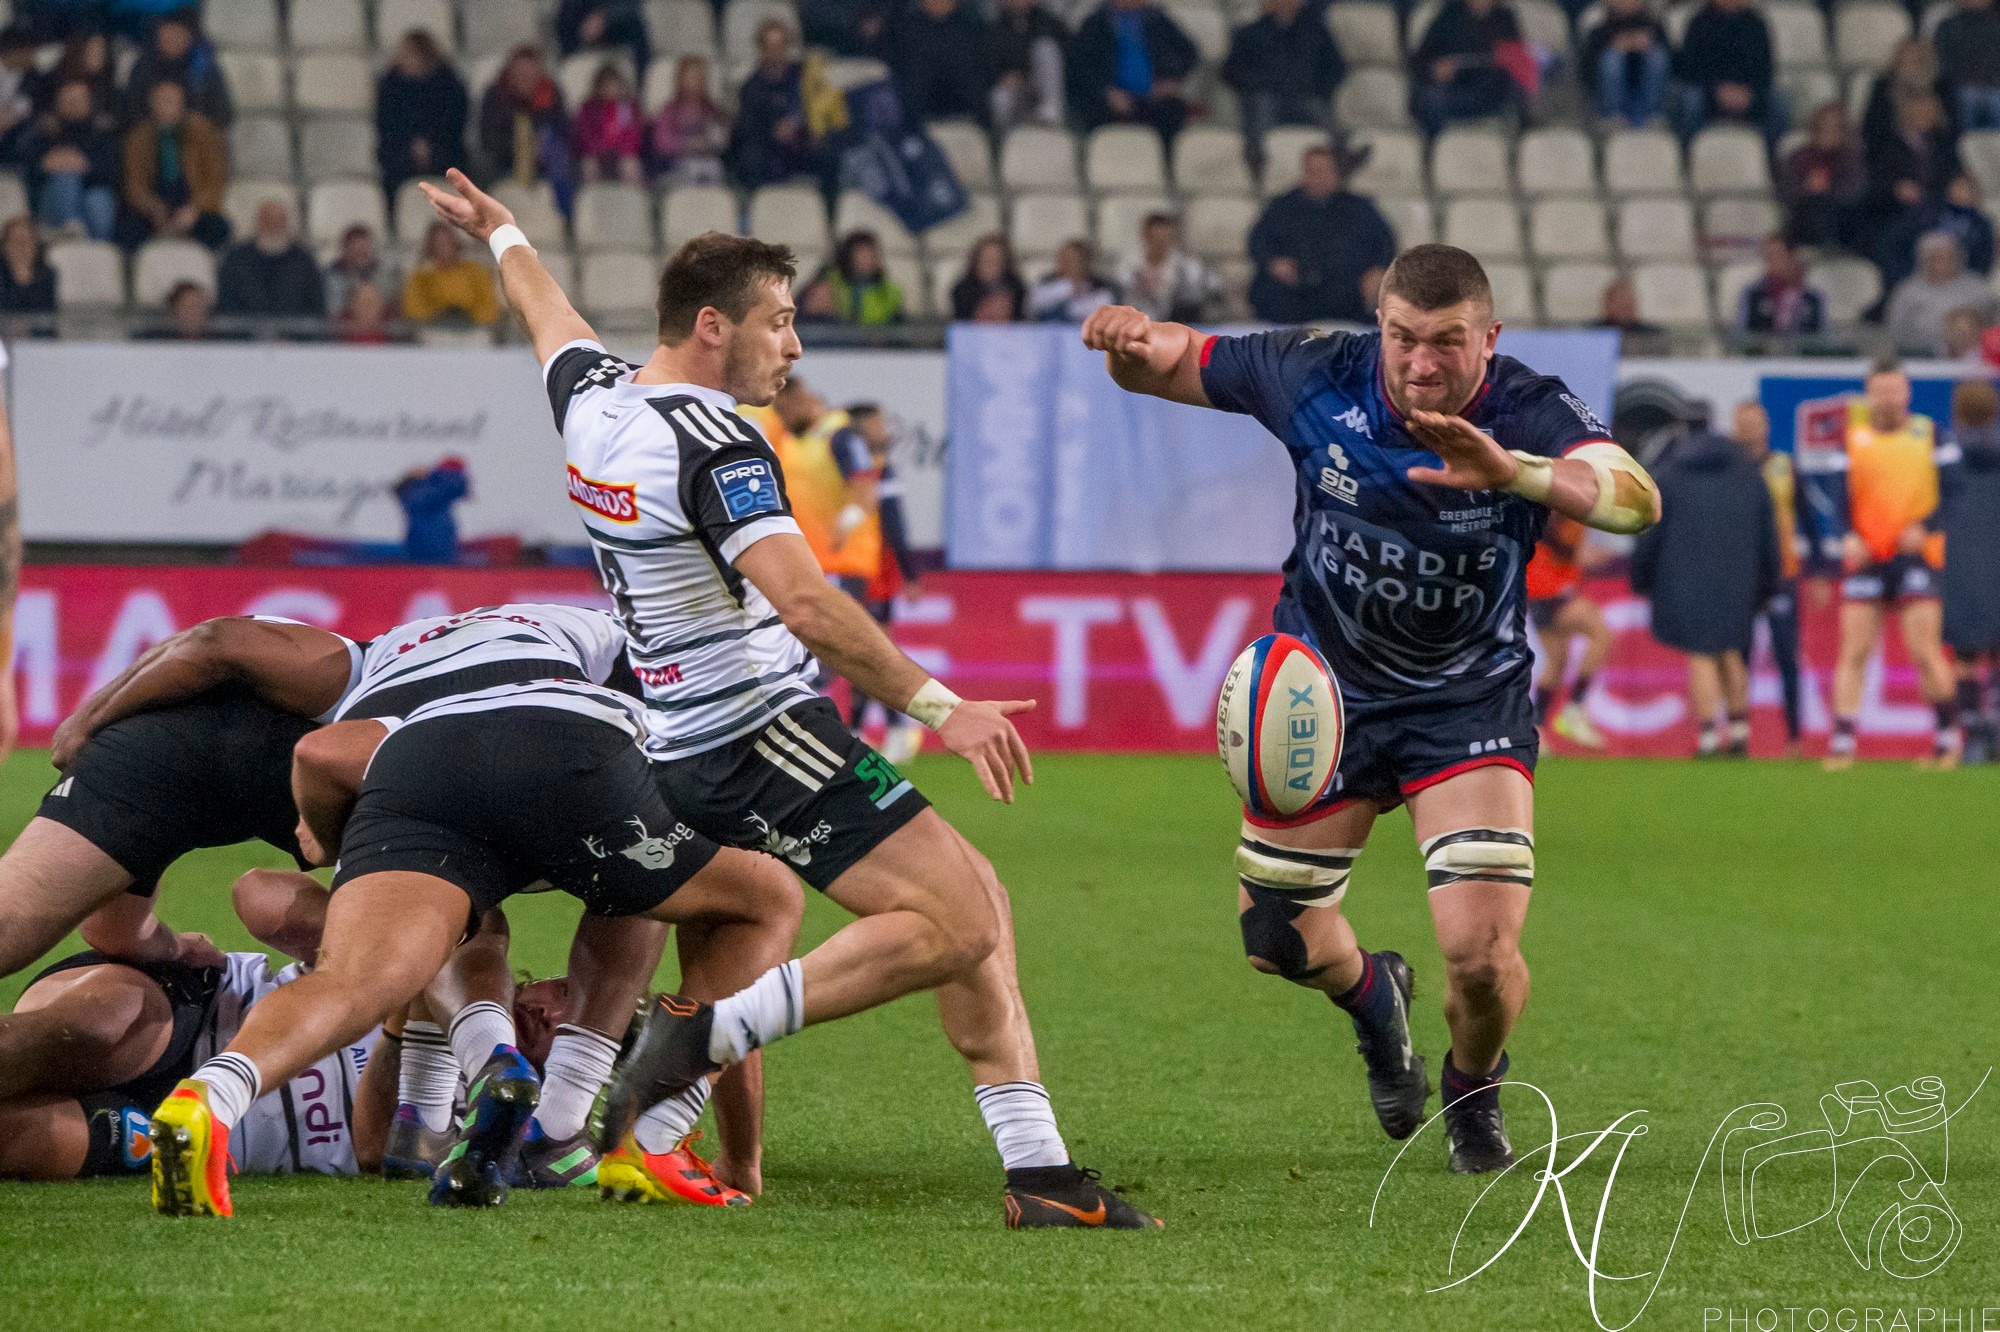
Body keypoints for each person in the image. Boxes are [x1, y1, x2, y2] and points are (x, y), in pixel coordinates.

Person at [417, 169, 1161, 1228]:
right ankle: (700, 1038)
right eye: (779, 321)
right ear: (712, 327)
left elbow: (550, 317)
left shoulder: (594, 402)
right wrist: (941, 707)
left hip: (677, 740)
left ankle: (1038, 1170)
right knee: (955, 920)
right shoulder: (715, 441)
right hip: (757, 731)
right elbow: (807, 604)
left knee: (977, 898)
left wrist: (504, 237)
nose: (795, 345)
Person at [1082, 243, 1661, 1173]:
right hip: (1324, 697)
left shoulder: (1525, 405)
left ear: (1489, 338)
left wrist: (1515, 473)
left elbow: (1634, 499)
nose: (1423, 362)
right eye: (1404, 338)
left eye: (1448, 342)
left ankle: (1473, 1095)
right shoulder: (1315, 370)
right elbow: (1169, 361)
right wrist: (1128, 344)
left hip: (1464, 704)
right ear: (1379, 325)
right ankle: (1373, 999)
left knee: (1479, 955)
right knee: (1277, 944)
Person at [1818, 359, 1957, 769]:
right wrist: (1847, 535)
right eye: (1880, 390)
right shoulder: (1851, 440)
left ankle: (1947, 743)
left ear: (1907, 392)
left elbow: (1955, 493)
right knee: (1853, 651)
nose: (1888, 398)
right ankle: (1842, 746)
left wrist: (1926, 527)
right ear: (1868, 394)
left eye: (1894, 389)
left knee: (1924, 651)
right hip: (1868, 558)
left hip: (1916, 557)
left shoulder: (1931, 434)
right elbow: (1837, 499)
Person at [1631, 411, 1779, 758]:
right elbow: (1768, 535)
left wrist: (1642, 577)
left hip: (1684, 577)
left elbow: (1650, 532)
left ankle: (1709, 736)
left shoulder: (1670, 474)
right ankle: (1740, 731)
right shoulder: (1748, 473)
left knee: (1700, 653)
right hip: (1739, 578)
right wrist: (1768, 584)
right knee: (1730, 650)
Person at [1247, 145, 1397, 325]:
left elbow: (1385, 243)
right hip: (1296, 291)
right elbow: (1258, 242)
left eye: (1325, 171)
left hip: (1346, 291)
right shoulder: (1281, 207)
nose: (1320, 177)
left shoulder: (1360, 208)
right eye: (1314, 171)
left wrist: (1377, 270)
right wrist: (1274, 263)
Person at [1938, 378, 2000, 761]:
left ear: (1958, 412)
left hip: (1961, 563)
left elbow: (1931, 509)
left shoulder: (1946, 456)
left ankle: (1975, 732)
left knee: (1964, 657)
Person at [1223, 0, 1345, 166]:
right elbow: (1230, 72)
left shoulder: (1316, 32)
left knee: (1322, 113)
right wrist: (1256, 86)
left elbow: (1336, 68)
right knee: (1260, 110)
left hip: (1304, 97)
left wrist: (1318, 88)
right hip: (1267, 97)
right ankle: (1254, 161)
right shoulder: (1250, 33)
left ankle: (1342, 156)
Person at [1525, 516, 1611, 749]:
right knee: (1600, 633)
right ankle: (1575, 706)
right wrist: (1614, 552)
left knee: (1555, 665)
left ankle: (1536, 727)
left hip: (1541, 590)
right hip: (1549, 591)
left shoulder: (1564, 514)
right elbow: (1571, 550)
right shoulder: (1561, 514)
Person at [1749, 402, 1806, 756]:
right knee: (1737, 657)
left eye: (1754, 423)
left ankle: (1795, 738)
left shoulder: (1784, 466)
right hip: (1742, 576)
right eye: (1743, 423)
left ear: (1766, 426)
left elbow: (1808, 517)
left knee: (1787, 657)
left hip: (1783, 574)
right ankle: (1738, 733)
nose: (1748, 430)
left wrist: (1817, 567)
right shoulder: (1734, 468)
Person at [118, 79, 229, 250]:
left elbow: (215, 180)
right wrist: (153, 208)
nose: (167, 107)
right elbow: (134, 184)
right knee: (128, 230)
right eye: (163, 101)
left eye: (172, 101)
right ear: (152, 105)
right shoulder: (138, 138)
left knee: (217, 229)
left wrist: (195, 209)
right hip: (155, 203)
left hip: (191, 201)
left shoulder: (203, 132)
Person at [1067, 0, 1199, 140]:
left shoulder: (1158, 21)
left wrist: (1171, 80)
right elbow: (1079, 67)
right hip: (1113, 100)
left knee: (1172, 109)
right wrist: (1106, 92)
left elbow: (1189, 52)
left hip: (1154, 97)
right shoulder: (1096, 24)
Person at [1409, 0, 1529, 137]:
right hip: (1451, 90)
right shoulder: (1447, 17)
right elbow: (1420, 61)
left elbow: (1517, 60)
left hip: (1491, 90)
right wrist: (1435, 70)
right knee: (1429, 99)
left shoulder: (1505, 19)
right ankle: (1436, 144)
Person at [375, 30, 469, 197]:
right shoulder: (390, 87)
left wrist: (430, 147)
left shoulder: (449, 86)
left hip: (445, 153)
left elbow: (453, 125)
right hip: (399, 156)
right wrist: (411, 148)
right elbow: (387, 127)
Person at [21, 79, 117, 240]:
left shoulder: (104, 134)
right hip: (51, 205)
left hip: (91, 197)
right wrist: (44, 164)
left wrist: (85, 166)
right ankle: (71, 227)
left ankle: (96, 245)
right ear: (58, 102)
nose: (73, 105)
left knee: (98, 200)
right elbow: (27, 168)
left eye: (78, 100)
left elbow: (110, 172)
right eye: (68, 100)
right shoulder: (42, 133)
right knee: (65, 174)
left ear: (89, 102)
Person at [1671, 0, 1778, 140]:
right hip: (1709, 91)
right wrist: (1717, 91)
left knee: (1779, 102)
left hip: (1747, 93)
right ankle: (1689, 147)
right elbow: (1690, 68)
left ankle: (1766, 150)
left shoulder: (1757, 23)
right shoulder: (1699, 22)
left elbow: (1765, 69)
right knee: (1691, 100)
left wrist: (1747, 92)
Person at [478, 46, 571, 203]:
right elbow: (488, 138)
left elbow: (563, 132)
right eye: (520, 74)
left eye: (530, 74)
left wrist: (543, 146)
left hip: (544, 167)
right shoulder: (496, 96)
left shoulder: (551, 95)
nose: (525, 79)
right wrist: (520, 145)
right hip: (505, 165)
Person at [1884, 231, 1997, 356]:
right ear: (1924, 260)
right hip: (1922, 357)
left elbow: (1992, 326)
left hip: (1974, 357)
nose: (1943, 263)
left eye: (1949, 257)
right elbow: (1895, 332)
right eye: (1936, 258)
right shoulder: (1907, 292)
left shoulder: (1977, 288)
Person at [215, 198, 325, 322]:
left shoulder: (304, 260)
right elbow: (226, 302)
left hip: (294, 332)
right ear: (258, 222)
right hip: (243, 332)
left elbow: (315, 305)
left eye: (279, 220)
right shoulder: (236, 259)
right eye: (268, 219)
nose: (273, 226)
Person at [730, 20, 810, 188]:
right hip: (769, 149)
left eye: (780, 46)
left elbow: (817, 110)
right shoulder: (750, 88)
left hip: (802, 144)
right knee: (751, 158)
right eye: (771, 47)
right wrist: (775, 131)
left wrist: (797, 125)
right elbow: (749, 129)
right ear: (761, 50)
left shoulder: (804, 77)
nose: (776, 52)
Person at [123, 10, 229, 130]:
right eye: (168, 31)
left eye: (179, 32)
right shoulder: (143, 66)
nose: (173, 38)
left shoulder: (204, 68)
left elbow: (222, 113)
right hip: (150, 131)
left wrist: (186, 117)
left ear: (190, 37)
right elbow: (131, 109)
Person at [887, 0, 990, 124]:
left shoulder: (970, 27)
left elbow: (980, 70)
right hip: (918, 110)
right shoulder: (906, 28)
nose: (939, 3)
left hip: (965, 109)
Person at [1781, 102, 1865, 250]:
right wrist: (1807, 189)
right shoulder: (1798, 157)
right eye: (1824, 127)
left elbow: (1856, 191)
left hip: (1840, 219)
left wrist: (1828, 188)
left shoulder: (1851, 159)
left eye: (1834, 128)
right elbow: (1786, 192)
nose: (1828, 132)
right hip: (1803, 217)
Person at [1115, 211, 1218, 324]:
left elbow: (1207, 291)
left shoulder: (1186, 267)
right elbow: (1122, 297)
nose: (1160, 244)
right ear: (1145, 236)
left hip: (1177, 324)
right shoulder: (1129, 267)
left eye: (1165, 239)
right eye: (1155, 239)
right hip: (1139, 323)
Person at [1582, 0, 1669, 128]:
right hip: (1607, 95)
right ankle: (1613, 118)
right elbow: (1587, 69)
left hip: (1644, 90)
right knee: (1611, 59)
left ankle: (1654, 117)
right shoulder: (1599, 28)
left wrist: (1646, 46)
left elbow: (1674, 63)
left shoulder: (1654, 26)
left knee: (1657, 55)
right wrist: (1616, 47)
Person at [1861, 41, 1955, 159]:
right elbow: (1871, 133)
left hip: (1935, 157)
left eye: (1916, 62)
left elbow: (1950, 133)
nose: (1911, 69)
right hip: (1891, 157)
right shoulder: (1882, 91)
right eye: (1904, 62)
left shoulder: (1942, 90)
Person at [647, 54, 730, 186]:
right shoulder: (670, 111)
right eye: (691, 77)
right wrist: (687, 145)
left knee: (714, 168)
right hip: (677, 165)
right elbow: (661, 141)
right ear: (680, 79)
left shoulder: (712, 110)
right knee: (691, 170)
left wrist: (709, 143)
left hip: (708, 161)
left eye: (700, 77)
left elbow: (722, 139)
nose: (695, 82)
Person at [403, 220, 498, 327]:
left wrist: (470, 318)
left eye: (448, 243)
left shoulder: (476, 273)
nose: (444, 249)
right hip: (434, 330)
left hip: (473, 330)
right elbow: (415, 309)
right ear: (430, 248)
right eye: (439, 244)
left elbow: (488, 308)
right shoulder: (421, 277)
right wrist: (438, 315)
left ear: (456, 244)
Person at [988, 0, 1066, 129]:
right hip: (1015, 91)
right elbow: (987, 64)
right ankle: (1005, 136)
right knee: (1000, 97)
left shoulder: (1048, 22)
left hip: (1040, 85)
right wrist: (1002, 77)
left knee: (1046, 48)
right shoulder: (994, 28)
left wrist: (1025, 74)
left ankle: (1050, 118)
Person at [1736, 234, 1825, 338]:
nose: (1772, 262)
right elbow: (1742, 335)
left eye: (1778, 255)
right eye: (1768, 256)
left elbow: (1822, 337)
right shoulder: (1752, 294)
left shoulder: (1813, 298)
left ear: (1791, 257)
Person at [572, 61, 645, 187]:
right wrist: (599, 148)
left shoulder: (625, 107)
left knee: (630, 165)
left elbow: (632, 133)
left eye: (614, 86)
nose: (611, 90)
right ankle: (590, 194)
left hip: (621, 153)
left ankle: (633, 194)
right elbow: (585, 133)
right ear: (598, 88)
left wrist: (621, 149)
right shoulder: (589, 109)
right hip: (596, 153)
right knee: (589, 165)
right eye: (606, 86)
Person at [1937, 0, 2000, 131]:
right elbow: (1946, 64)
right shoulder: (1948, 27)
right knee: (1968, 96)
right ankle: (1964, 141)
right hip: (1962, 87)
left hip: (1995, 85)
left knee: (1995, 98)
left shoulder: (1996, 25)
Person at [818, 230, 904, 325]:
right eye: (861, 254)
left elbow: (897, 324)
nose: (866, 260)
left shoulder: (890, 292)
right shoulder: (831, 282)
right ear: (849, 257)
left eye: (871, 254)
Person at [394, 457, 469, 562]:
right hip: (433, 552)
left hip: (429, 551)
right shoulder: (422, 495)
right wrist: (438, 474)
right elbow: (454, 487)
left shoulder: (417, 493)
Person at [1029, 237, 1119, 322]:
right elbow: (1033, 305)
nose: (1073, 266)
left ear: (1087, 262)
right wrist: (1067, 287)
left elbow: (1102, 311)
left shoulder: (1102, 287)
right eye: (1068, 260)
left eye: (1077, 261)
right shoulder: (1046, 282)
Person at [323, 222, 401, 317]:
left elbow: (391, 305)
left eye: (364, 250)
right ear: (345, 249)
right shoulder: (332, 276)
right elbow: (334, 310)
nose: (361, 254)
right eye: (356, 251)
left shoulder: (383, 273)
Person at [949, 233, 1026, 322]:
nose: (990, 264)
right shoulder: (962, 290)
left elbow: (1019, 320)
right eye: (986, 259)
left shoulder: (1016, 288)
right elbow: (960, 321)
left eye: (996, 259)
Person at [556, 0, 650, 72]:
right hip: (582, 47)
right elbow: (565, 20)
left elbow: (632, 6)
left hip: (621, 41)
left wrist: (606, 18)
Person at [1594, 276, 1670, 356]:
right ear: (1607, 304)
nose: (1624, 308)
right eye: (1619, 304)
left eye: (1628, 304)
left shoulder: (1652, 335)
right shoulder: (1593, 333)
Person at [0, 214, 55, 313]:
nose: (22, 248)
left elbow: (48, 313)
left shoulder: (47, 275)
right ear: (4, 247)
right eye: (16, 242)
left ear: (36, 247)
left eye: (27, 242)